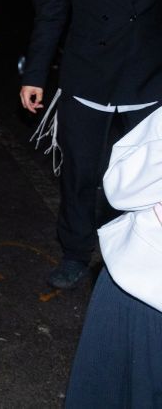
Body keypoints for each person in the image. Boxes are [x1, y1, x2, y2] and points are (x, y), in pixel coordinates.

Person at [21, 0, 162, 290]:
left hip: (148, 81)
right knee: (80, 175)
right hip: (87, 78)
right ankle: (75, 252)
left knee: (144, 179)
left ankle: (138, 256)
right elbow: (51, 14)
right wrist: (35, 74)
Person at [65, 106, 162, 407]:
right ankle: (73, 253)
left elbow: (122, 187)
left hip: (143, 290)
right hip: (140, 280)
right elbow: (121, 186)